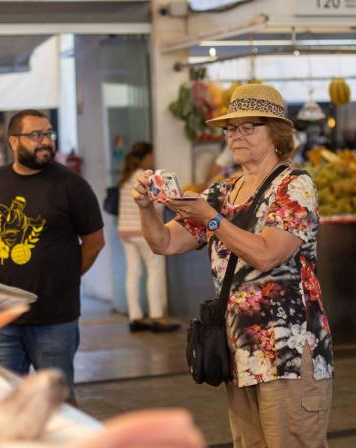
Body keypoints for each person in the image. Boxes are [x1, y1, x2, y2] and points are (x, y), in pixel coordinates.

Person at [133, 84, 333, 447]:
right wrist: (147, 208)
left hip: (288, 350)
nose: (235, 136)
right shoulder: (222, 192)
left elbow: (268, 254)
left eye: (247, 127)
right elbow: (164, 242)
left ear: (276, 134)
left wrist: (212, 220)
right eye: (230, 128)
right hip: (240, 350)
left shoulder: (294, 186)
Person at [0, 109, 105, 404]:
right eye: (36, 135)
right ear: (13, 141)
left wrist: (64, 279)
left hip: (54, 318)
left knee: (58, 404)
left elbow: (94, 241)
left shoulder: (71, 185)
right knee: (5, 401)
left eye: (49, 134)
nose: (45, 141)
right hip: (4, 316)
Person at [117, 142, 180, 333]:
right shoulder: (143, 177)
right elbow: (158, 205)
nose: (153, 158)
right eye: (152, 155)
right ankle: (157, 316)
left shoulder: (126, 177)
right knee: (155, 270)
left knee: (133, 273)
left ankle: (135, 317)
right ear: (146, 156)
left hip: (125, 232)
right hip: (142, 232)